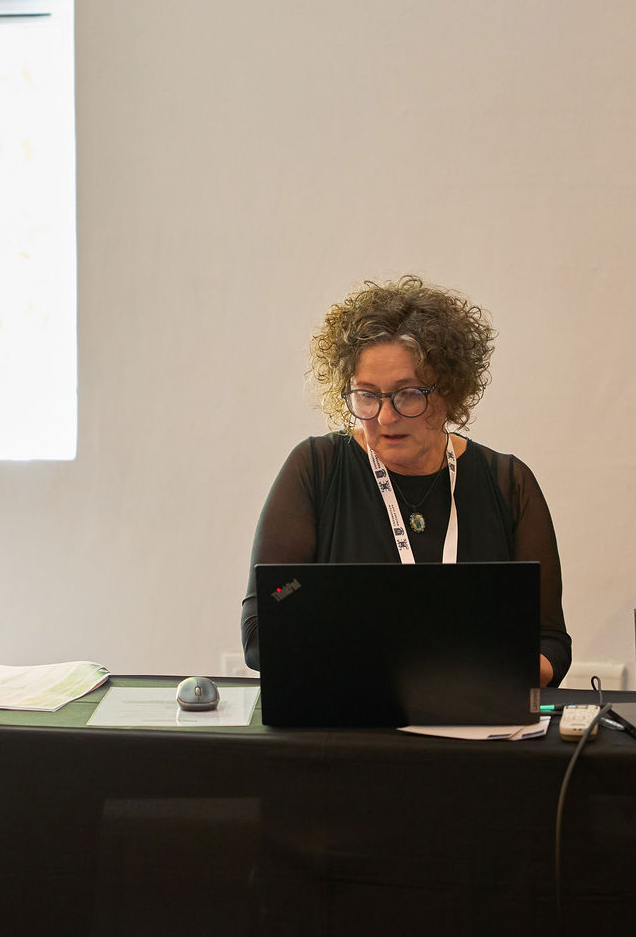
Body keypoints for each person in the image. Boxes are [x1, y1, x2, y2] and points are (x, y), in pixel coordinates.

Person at [241, 275, 571, 686]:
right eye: (367, 394)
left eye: (408, 393)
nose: (385, 416)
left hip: (474, 717)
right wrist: (399, 661)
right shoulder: (316, 469)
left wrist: (486, 672)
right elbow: (261, 631)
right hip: (346, 718)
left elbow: (550, 643)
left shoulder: (509, 484)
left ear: (450, 391)